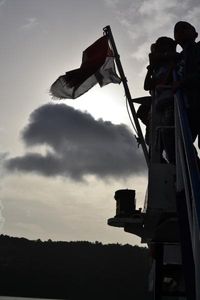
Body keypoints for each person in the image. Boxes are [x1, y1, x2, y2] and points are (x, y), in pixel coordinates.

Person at [144, 37, 178, 163]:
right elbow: (147, 85)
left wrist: (157, 58)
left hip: (171, 105)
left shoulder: (173, 61)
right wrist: (150, 68)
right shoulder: (157, 69)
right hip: (161, 109)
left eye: (159, 46)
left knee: (172, 143)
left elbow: (173, 56)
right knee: (157, 146)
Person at [173, 21, 200, 145]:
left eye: (185, 28)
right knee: (182, 145)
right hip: (187, 107)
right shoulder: (177, 59)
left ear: (195, 34)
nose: (180, 31)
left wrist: (183, 82)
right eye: (177, 30)